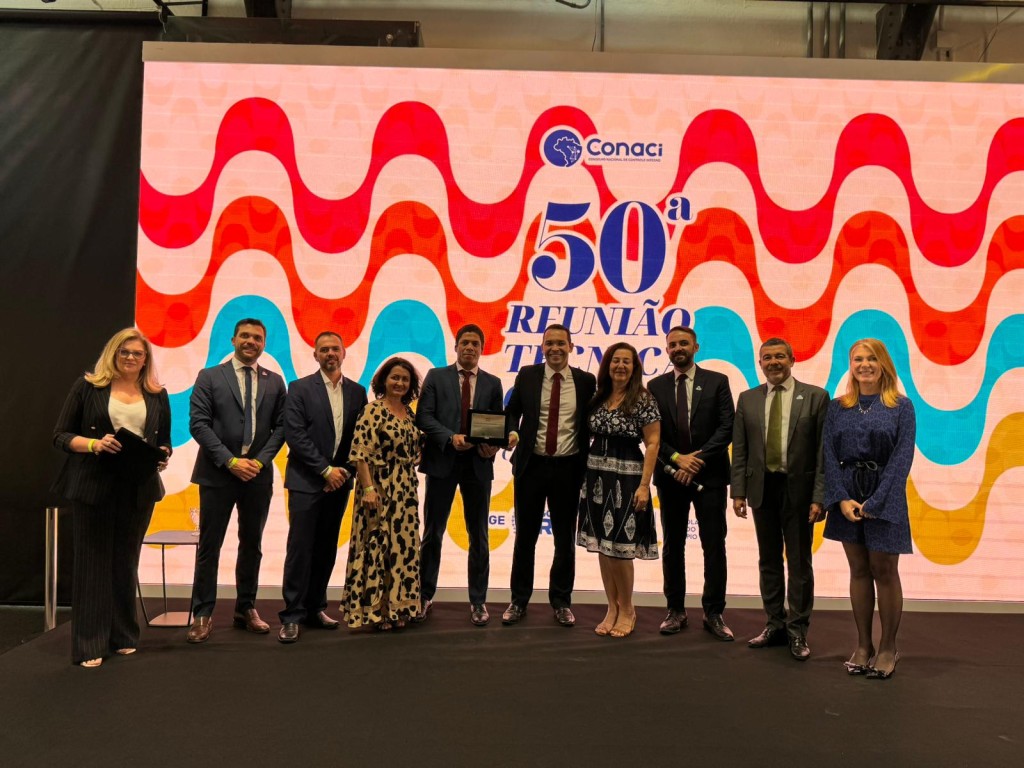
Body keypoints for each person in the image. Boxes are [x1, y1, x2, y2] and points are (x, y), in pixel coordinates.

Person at [52, 328, 172, 667]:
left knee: (126, 562)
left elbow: (163, 439)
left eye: (138, 353)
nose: (131, 357)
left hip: (138, 488)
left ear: (146, 359)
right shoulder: (87, 388)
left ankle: (123, 636)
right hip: (93, 485)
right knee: (92, 564)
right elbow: (60, 435)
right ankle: (90, 644)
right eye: (124, 352)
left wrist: (163, 454)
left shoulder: (157, 394)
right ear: (113, 354)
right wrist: (94, 444)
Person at [186, 318, 287, 643]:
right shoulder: (209, 376)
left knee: (252, 544)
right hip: (217, 474)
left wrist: (259, 462)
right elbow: (198, 424)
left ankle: (246, 608)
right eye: (245, 335)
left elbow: (282, 428)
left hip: (257, 475)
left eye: (257, 337)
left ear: (263, 344)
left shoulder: (275, 382)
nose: (251, 341)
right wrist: (230, 461)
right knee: (210, 545)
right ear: (233, 340)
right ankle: (202, 613)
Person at [823, 338, 916, 680]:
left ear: (883, 364)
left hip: (886, 496)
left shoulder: (902, 406)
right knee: (859, 570)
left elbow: (902, 457)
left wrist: (876, 502)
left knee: (884, 571)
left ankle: (888, 648)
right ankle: (864, 646)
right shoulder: (837, 407)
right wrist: (841, 498)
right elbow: (828, 455)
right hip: (847, 495)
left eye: (872, 358)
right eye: (858, 359)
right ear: (851, 365)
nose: (865, 364)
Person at [731, 338, 829, 660]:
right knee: (768, 560)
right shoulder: (747, 399)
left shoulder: (816, 397)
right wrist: (738, 492)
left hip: (799, 492)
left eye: (779, 356)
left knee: (799, 562)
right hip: (762, 489)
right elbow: (740, 449)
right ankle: (775, 624)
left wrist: (819, 496)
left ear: (792, 359)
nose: (773, 362)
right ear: (760, 363)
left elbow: (822, 453)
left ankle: (797, 630)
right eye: (767, 357)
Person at [503, 324, 597, 628]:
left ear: (571, 347)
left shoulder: (586, 381)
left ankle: (561, 602)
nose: (555, 348)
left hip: (568, 468)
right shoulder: (528, 375)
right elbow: (512, 412)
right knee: (525, 537)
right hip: (531, 467)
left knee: (564, 539)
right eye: (549, 343)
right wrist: (512, 432)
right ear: (542, 347)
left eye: (561, 343)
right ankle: (519, 601)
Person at [277, 332, 368, 643]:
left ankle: (315, 608)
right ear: (315, 355)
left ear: (344, 353)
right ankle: (292, 614)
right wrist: (325, 470)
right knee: (300, 548)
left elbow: (359, 438)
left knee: (326, 548)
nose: (330, 353)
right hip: (306, 482)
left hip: (339, 484)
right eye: (324, 349)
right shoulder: (299, 388)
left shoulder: (357, 392)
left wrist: (342, 473)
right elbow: (295, 435)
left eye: (335, 349)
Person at [648, 326, 735, 640]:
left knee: (714, 545)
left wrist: (695, 460)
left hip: (710, 476)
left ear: (696, 347)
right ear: (667, 350)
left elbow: (727, 428)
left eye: (683, 343)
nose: (678, 348)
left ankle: (714, 613)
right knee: (673, 545)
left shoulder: (717, 381)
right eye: (672, 345)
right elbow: (652, 435)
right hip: (671, 477)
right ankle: (675, 611)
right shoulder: (654, 386)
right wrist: (677, 460)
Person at [416, 324, 505, 626]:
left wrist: (492, 447)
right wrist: (449, 437)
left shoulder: (493, 383)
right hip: (442, 462)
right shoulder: (436, 377)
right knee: (433, 533)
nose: (469, 347)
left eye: (475, 343)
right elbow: (423, 416)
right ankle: (424, 595)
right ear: (455, 346)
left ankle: (478, 601)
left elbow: (495, 424)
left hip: (478, 466)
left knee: (479, 535)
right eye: (465, 342)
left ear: (481, 349)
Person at [576, 343, 660, 638]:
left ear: (634, 367)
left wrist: (644, 486)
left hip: (627, 478)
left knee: (621, 550)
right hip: (596, 476)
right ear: (607, 366)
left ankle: (628, 610)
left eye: (626, 361)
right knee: (603, 545)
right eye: (615, 361)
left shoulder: (643, 398)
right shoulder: (598, 396)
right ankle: (611, 607)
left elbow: (653, 443)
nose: (620, 366)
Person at [340, 357, 423, 630]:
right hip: (378, 489)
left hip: (406, 492)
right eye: (394, 377)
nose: (399, 383)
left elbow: (413, 448)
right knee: (377, 547)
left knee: (403, 550)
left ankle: (398, 608)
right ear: (383, 380)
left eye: (405, 379)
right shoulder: (372, 410)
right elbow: (360, 453)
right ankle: (377, 612)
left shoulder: (409, 413)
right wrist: (368, 489)